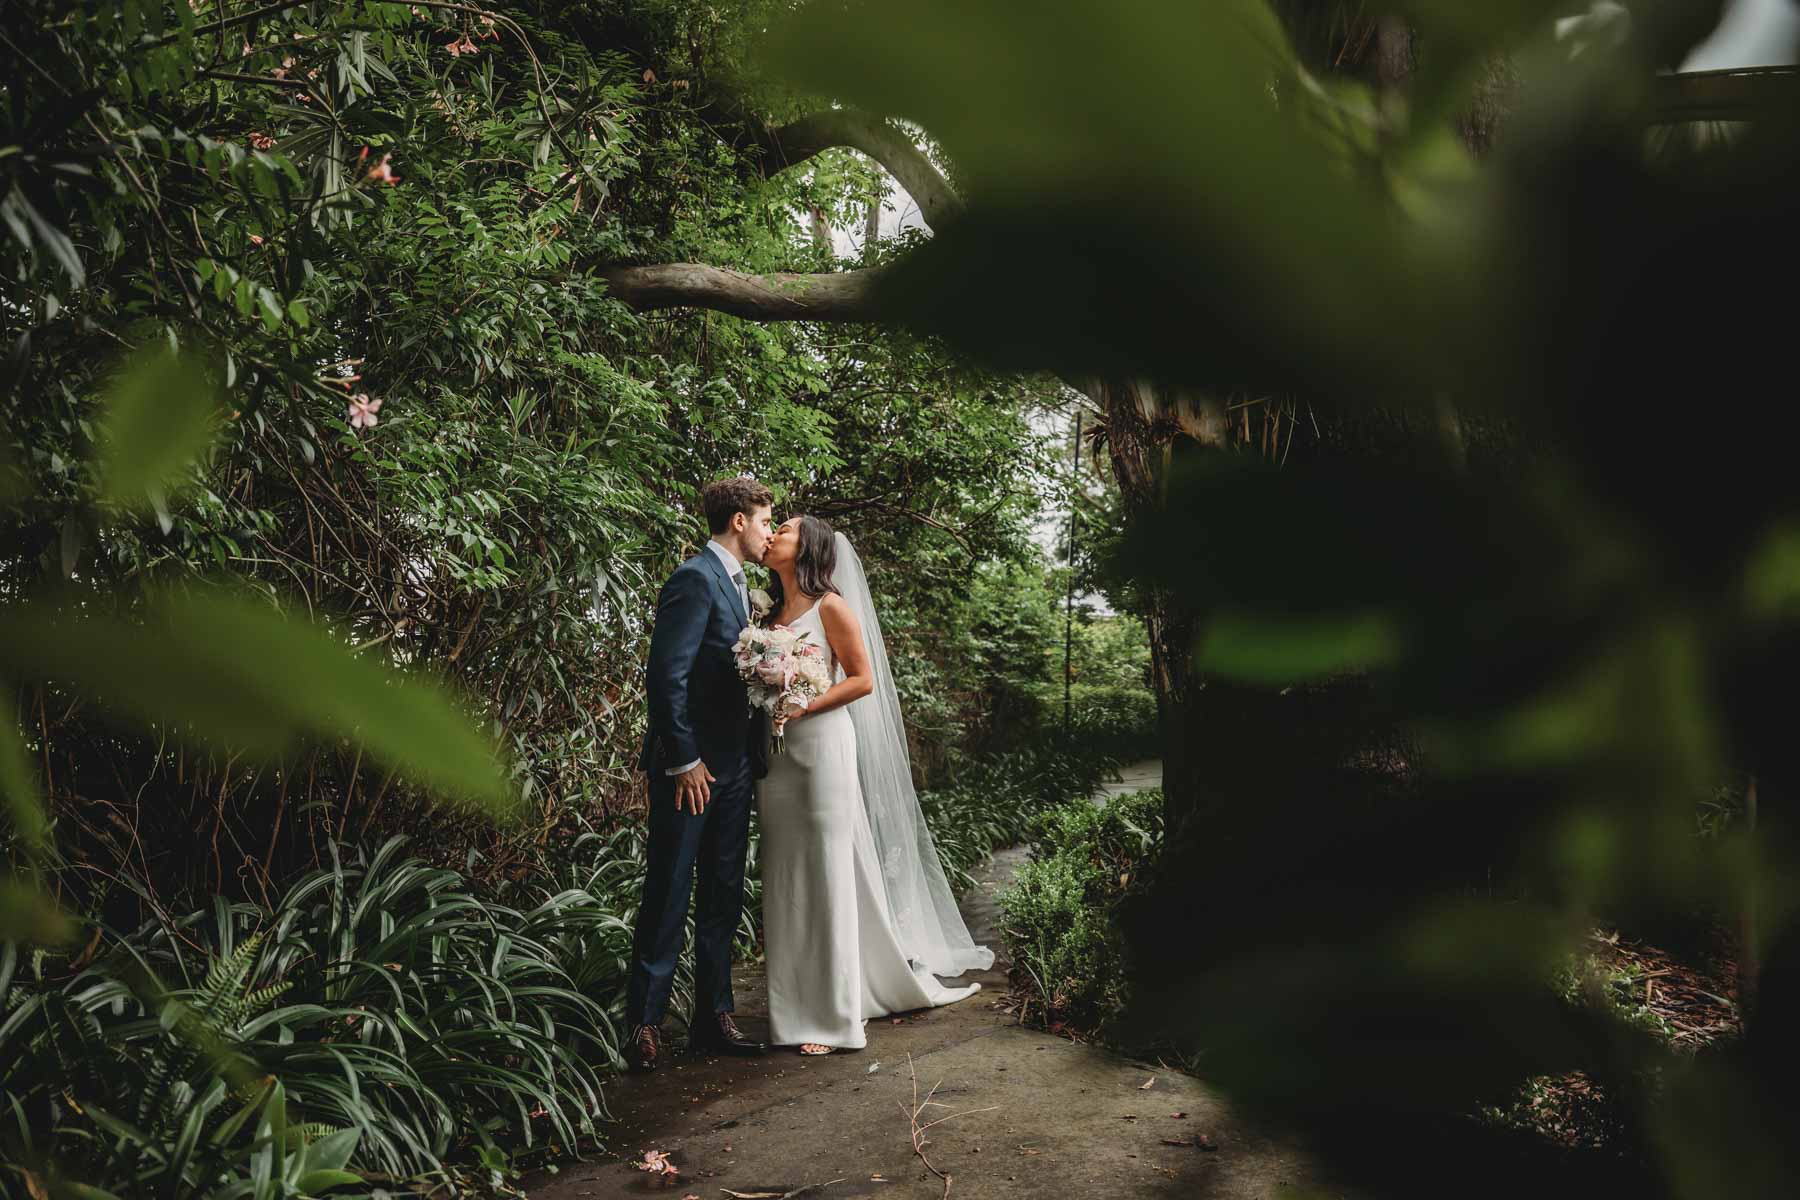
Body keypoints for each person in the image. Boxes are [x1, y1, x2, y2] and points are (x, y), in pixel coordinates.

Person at [756, 514, 989, 1055]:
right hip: (779, 758)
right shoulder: (766, 613)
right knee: (787, 875)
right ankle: (793, 1007)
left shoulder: (830, 606)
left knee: (826, 872)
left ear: (807, 546)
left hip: (821, 750)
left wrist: (804, 705)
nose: (773, 536)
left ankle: (834, 1018)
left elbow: (861, 679)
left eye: (784, 529)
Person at [624, 477, 774, 1071]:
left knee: (723, 891)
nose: (769, 532)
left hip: (734, 767)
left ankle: (714, 1018)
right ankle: (643, 1024)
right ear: (738, 521)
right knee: (668, 889)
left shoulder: (741, 589)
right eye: (765, 521)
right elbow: (667, 677)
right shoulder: (693, 578)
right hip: (691, 770)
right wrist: (683, 759)